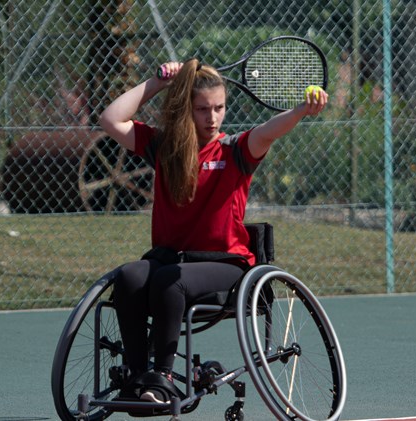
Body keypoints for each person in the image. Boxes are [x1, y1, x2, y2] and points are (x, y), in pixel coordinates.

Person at [98, 59, 327, 403]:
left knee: (168, 280)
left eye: (219, 108)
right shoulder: (166, 149)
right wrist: (157, 82)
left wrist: (299, 111)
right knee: (129, 276)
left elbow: (268, 129)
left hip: (226, 265)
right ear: (186, 110)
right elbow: (110, 119)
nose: (213, 117)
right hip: (170, 259)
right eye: (203, 109)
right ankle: (137, 375)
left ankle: (161, 379)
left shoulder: (235, 151)